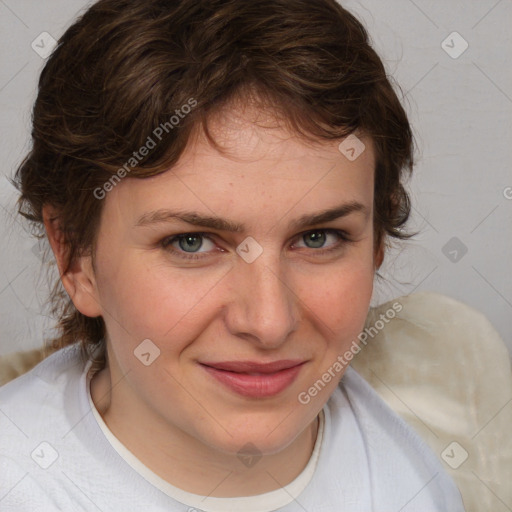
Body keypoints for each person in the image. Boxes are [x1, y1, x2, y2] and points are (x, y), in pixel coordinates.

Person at [0, 0, 466, 510]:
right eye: (191, 243)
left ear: (377, 242)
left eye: (318, 238)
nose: (269, 323)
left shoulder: (413, 479)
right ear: (75, 258)